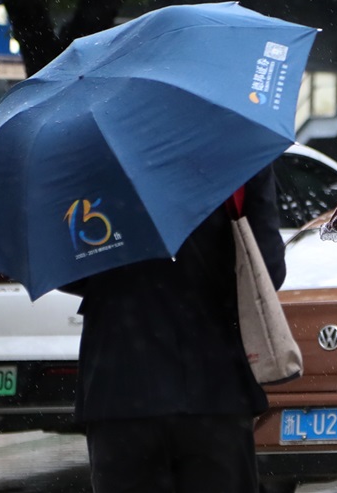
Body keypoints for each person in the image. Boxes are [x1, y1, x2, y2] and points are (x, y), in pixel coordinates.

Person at [60, 164, 286, 493]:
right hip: (214, 386)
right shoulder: (233, 150)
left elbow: (68, 269)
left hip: (119, 387)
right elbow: (268, 271)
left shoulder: (91, 154)